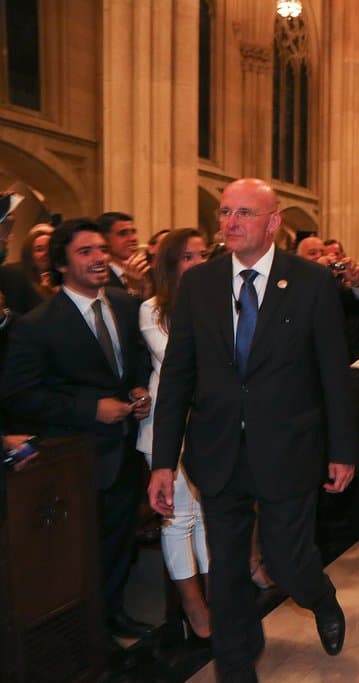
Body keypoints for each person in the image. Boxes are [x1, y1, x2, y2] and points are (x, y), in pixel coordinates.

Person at [148, 178, 357, 680]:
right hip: (216, 452)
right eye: (224, 213)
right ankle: (237, 665)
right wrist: (162, 461)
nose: (230, 223)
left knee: (286, 561)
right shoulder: (199, 284)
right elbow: (177, 375)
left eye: (244, 213)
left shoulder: (309, 282)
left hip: (290, 448)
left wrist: (343, 449)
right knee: (227, 571)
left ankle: (321, 598)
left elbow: (333, 372)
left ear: (274, 222)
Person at [0, 218, 154, 647]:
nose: (99, 257)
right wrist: (90, 408)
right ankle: (90, 636)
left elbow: (137, 361)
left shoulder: (125, 305)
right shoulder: (38, 324)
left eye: (101, 249)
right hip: (73, 459)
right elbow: (19, 395)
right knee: (79, 554)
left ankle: (114, 614)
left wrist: (139, 388)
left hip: (123, 451)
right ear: (62, 265)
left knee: (119, 543)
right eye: (86, 251)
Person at [136, 228, 211, 641]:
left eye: (202, 256)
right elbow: (182, 359)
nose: (197, 264)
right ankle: (191, 604)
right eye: (187, 257)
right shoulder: (153, 309)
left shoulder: (216, 303)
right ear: (170, 265)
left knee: (205, 516)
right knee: (177, 517)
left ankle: (214, 595)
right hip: (166, 427)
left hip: (207, 425)